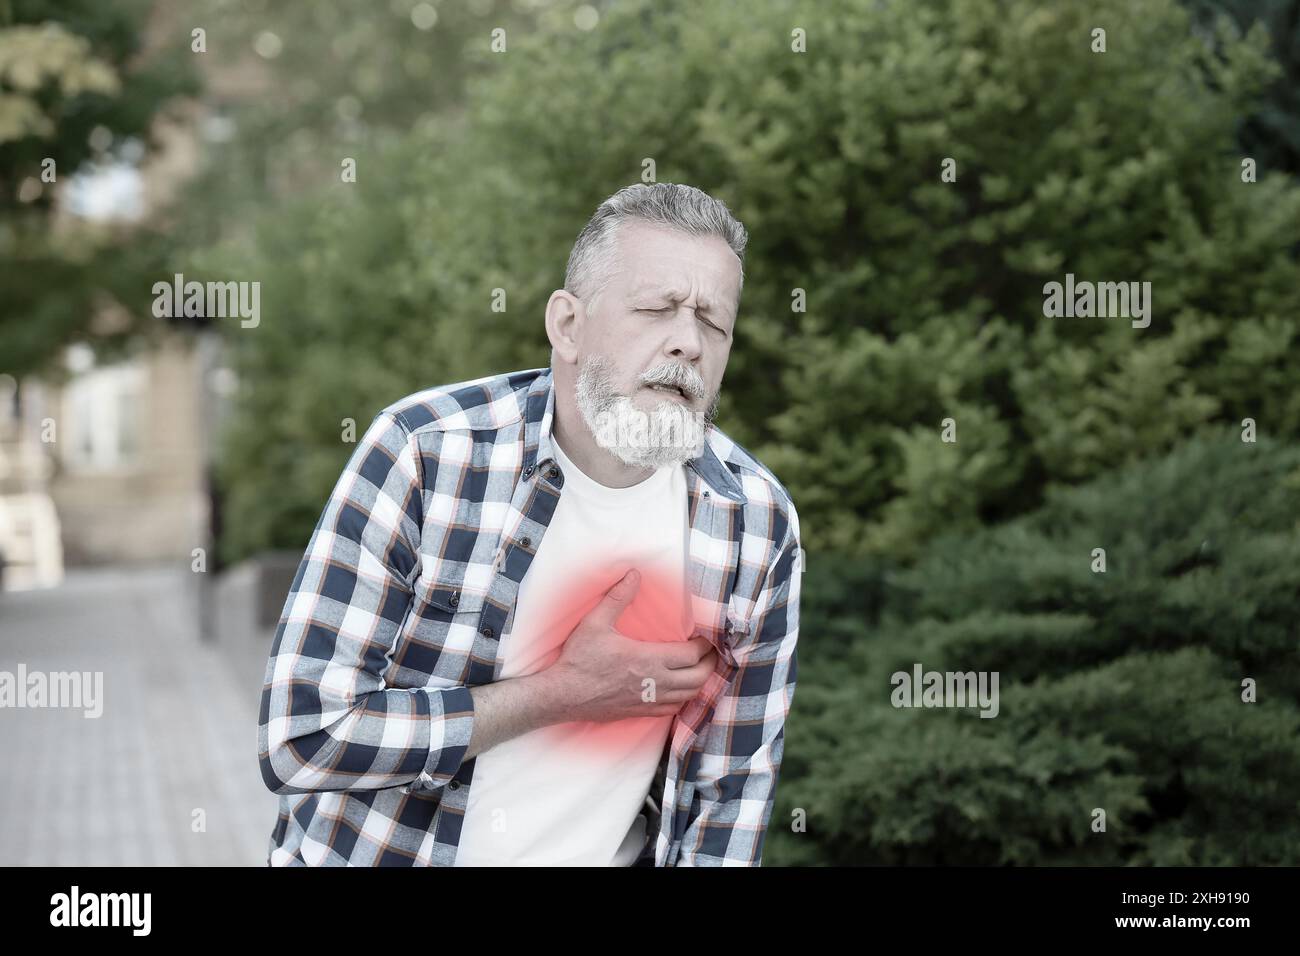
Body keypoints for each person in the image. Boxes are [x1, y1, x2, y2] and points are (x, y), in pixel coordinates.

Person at [258, 182, 803, 866]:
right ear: (567, 325)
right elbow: (301, 739)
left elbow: (729, 797)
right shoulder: (426, 454)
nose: (688, 343)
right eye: (656, 309)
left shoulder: (753, 522)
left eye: (713, 323)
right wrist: (558, 694)